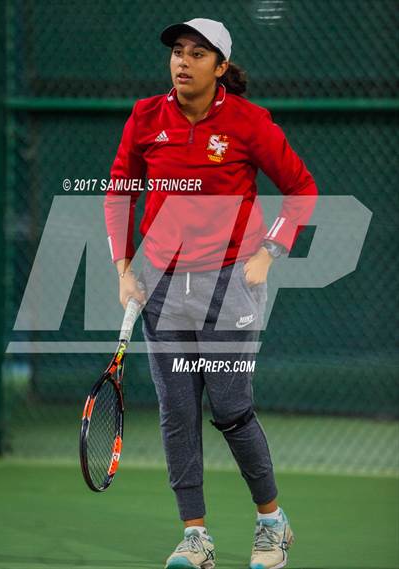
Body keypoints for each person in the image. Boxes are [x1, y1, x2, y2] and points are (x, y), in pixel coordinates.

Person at [105, 17, 318, 569]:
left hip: (230, 281)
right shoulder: (145, 117)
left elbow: (301, 189)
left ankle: (272, 521)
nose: (183, 61)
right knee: (177, 411)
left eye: (198, 54)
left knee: (229, 409)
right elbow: (119, 193)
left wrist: (269, 252)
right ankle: (195, 537)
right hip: (163, 283)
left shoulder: (250, 124)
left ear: (221, 67)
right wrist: (124, 266)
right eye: (178, 51)